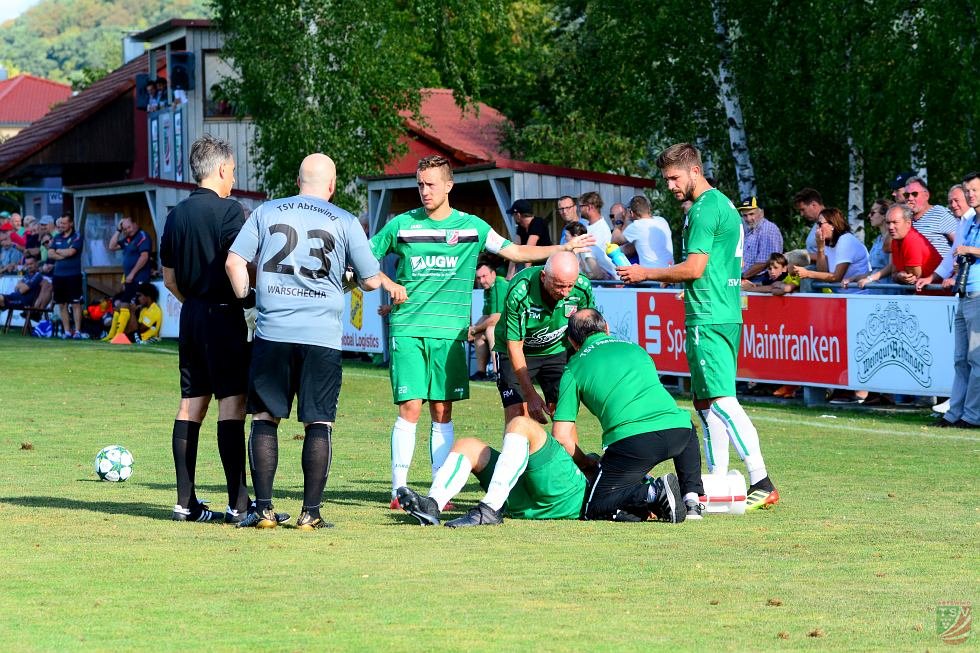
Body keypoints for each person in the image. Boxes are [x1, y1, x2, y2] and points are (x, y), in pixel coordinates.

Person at [369, 154, 594, 507]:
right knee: (411, 406)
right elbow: (365, 258)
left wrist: (562, 248)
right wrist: (387, 282)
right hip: (409, 326)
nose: (424, 191)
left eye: (430, 184)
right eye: (420, 184)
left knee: (442, 410)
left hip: (451, 333)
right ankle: (399, 489)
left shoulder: (472, 226)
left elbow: (516, 251)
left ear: (448, 185)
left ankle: (437, 492)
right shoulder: (401, 226)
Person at [227, 153, 406, 530]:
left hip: (272, 333)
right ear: (332, 185)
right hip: (321, 338)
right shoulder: (343, 219)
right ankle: (310, 514)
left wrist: (248, 296)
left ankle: (263, 511)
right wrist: (356, 278)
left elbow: (234, 262)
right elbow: (372, 279)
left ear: (297, 181)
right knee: (319, 422)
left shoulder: (265, 212)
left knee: (265, 418)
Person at [396, 309, 702, 526]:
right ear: (606, 328)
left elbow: (563, 439)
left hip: (572, 488)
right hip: (527, 498)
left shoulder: (575, 368)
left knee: (520, 424)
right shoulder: (636, 352)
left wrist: (585, 461)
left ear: (571, 343)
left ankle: (488, 510)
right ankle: (432, 505)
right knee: (467, 444)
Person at [618, 142, 778, 510]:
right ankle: (718, 477)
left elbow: (694, 269)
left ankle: (761, 479)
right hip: (716, 310)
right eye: (666, 180)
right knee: (705, 401)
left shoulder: (706, 209)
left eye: (673, 178)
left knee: (721, 400)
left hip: (709, 314)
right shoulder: (717, 206)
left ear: (694, 171)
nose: (670, 186)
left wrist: (647, 272)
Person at [160, 134, 273, 524]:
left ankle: (184, 502)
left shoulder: (175, 214)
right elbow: (239, 262)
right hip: (225, 313)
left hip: (190, 315)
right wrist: (249, 301)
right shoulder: (231, 211)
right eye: (233, 171)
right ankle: (238, 504)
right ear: (223, 169)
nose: (233, 178)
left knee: (191, 402)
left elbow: (168, 276)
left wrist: (191, 300)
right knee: (232, 404)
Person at [493, 251, 595, 424]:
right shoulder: (520, 291)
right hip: (518, 352)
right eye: (559, 286)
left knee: (562, 414)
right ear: (543, 277)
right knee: (519, 414)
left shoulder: (582, 286)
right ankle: (517, 450)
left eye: (570, 286)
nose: (565, 292)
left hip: (557, 350)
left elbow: (588, 330)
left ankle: (563, 452)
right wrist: (530, 394)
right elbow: (515, 346)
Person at [916, 171, 980, 428]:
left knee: (975, 359)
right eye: (967, 191)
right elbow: (953, 255)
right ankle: (956, 413)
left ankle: (972, 416)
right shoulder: (970, 221)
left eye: (974, 190)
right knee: (960, 359)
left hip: (978, 294)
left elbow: (963, 250)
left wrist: (969, 250)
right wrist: (938, 275)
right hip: (964, 293)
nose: (970, 195)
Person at [857, 204, 941, 288]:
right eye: (888, 222)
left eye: (895, 222)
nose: (890, 227)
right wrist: (899, 276)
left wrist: (900, 275)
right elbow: (894, 275)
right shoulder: (895, 240)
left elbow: (913, 277)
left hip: (938, 295)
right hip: (923, 294)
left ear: (908, 223)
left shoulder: (911, 240)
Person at [795, 207, 871, 292]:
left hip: (858, 296)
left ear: (833, 225)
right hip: (842, 296)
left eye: (820, 224)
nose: (817, 228)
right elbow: (823, 271)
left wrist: (808, 273)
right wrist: (820, 248)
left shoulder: (846, 241)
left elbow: (837, 277)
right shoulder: (829, 242)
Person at [103, 217, 152, 341]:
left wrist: (132, 274)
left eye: (129, 227)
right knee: (123, 305)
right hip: (130, 280)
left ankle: (120, 335)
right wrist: (118, 230)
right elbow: (111, 246)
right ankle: (114, 335)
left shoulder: (142, 236)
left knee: (129, 306)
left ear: (135, 224)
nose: (127, 231)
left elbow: (144, 257)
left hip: (139, 278)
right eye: (124, 229)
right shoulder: (127, 239)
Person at [46, 214, 84, 339]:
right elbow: (50, 253)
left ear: (71, 224)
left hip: (73, 275)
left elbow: (72, 251)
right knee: (62, 304)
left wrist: (59, 251)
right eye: (60, 223)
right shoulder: (56, 237)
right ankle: (67, 331)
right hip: (58, 276)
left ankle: (77, 331)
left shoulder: (77, 236)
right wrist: (62, 254)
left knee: (75, 304)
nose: (61, 225)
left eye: (64, 223)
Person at [468, 259, 507, 381]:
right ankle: (481, 372)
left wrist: (473, 329)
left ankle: (497, 372)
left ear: (493, 274)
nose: (481, 281)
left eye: (484, 276)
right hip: (503, 327)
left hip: (515, 328)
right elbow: (485, 316)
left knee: (490, 330)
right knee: (480, 334)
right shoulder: (488, 288)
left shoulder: (499, 285)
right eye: (479, 278)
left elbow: (495, 318)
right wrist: (472, 330)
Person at [612, 195, 673, 268]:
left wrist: (618, 222)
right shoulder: (662, 220)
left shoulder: (636, 226)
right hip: (670, 272)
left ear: (631, 212)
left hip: (652, 276)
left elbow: (614, 240)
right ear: (648, 208)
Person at [903, 176, 957, 258]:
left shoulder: (940, 213)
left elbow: (960, 242)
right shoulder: (906, 219)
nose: (910, 198)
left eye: (914, 194)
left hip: (940, 269)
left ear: (926, 195)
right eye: (907, 195)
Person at [738, 196, 783, 284]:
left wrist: (742, 276)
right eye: (745, 215)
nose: (748, 219)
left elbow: (764, 262)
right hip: (750, 279)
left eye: (751, 214)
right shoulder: (751, 230)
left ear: (761, 213)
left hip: (760, 280)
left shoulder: (768, 229)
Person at [577, 191, 616, 279]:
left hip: (605, 282)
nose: (579, 209)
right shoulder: (589, 226)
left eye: (581, 206)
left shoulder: (601, 229)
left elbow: (593, 261)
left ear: (589, 207)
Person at [793, 188, 825, 260]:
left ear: (814, 205)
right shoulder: (817, 223)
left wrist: (800, 256)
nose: (801, 214)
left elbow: (830, 257)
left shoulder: (828, 224)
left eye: (803, 209)